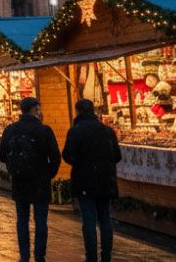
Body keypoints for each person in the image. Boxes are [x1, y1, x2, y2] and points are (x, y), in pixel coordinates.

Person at [0, 97, 62, 262]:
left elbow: (1, 154)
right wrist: (49, 173)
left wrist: (15, 166)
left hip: (20, 180)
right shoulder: (44, 130)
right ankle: (39, 256)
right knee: (41, 219)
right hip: (40, 179)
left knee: (22, 219)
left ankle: (24, 256)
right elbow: (55, 157)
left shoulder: (11, 129)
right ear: (35, 109)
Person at [63, 99, 122, 262]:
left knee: (88, 220)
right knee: (105, 218)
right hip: (106, 180)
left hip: (84, 181)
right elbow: (117, 155)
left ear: (78, 112)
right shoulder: (107, 131)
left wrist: (81, 162)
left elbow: (67, 155)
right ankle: (106, 256)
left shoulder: (75, 131)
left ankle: (91, 257)